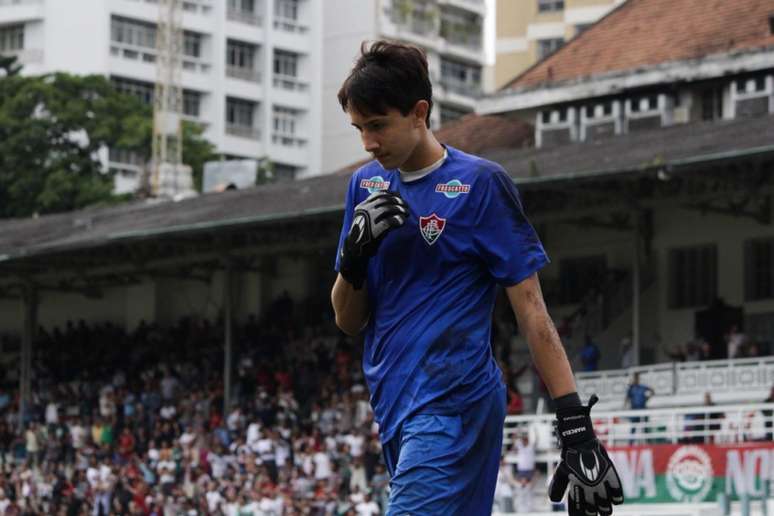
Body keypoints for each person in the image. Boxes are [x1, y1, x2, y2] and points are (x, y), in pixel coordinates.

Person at [331, 40, 623, 515]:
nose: (368, 142)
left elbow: (532, 311)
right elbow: (347, 319)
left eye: (378, 125)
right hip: (392, 405)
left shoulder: (481, 184)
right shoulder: (364, 186)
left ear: (419, 112)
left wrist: (574, 425)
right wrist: (354, 256)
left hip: (454, 402)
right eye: (359, 129)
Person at [624, 372, 654, 444]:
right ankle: (630, 443)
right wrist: (625, 407)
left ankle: (648, 442)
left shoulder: (642, 387)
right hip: (635, 410)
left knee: (645, 427)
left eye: (637, 378)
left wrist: (647, 398)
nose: (636, 379)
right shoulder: (631, 388)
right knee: (633, 427)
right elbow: (627, 398)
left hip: (643, 409)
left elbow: (652, 391)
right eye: (635, 378)